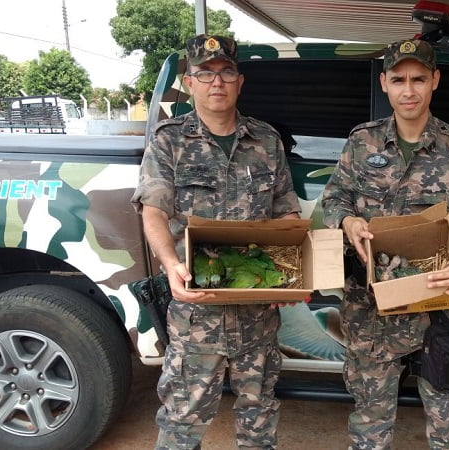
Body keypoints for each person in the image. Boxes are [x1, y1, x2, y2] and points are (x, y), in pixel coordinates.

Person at [321, 39, 449, 449]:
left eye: (419, 79)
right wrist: (348, 220)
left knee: (446, 428)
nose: (409, 90)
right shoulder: (362, 142)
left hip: (436, 308)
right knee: (369, 428)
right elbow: (334, 197)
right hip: (369, 308)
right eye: (399, 79)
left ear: (435, 81)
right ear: (385, 84)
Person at [131, 34, 301, 450]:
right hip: (196, 316)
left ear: (239, 81)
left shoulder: (266, 141)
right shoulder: (169, 140)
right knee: (181, 422)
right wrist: (170, 264)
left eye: (225, 72)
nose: (216, 82)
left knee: (259, 422)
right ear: (190, 83)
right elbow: (152, 208)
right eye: (205, 74)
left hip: (257, 313)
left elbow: (287, 212)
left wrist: (291, 272)